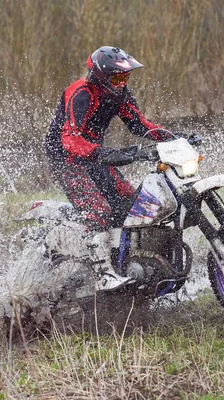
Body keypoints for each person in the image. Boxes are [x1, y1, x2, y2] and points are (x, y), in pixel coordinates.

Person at [45, 46, 178, 291]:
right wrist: (105, 153)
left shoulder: (119, 95)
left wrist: (173, 137)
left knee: (132, 203)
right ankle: (102, 275)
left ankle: (128, 261)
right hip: (68, 161)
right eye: (117, 77)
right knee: (99, 211)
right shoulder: (81, 94)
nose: (122, 83)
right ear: (100, 76)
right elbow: (70, 140)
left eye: (125, 77)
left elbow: (140, 125)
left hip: (95, 157)